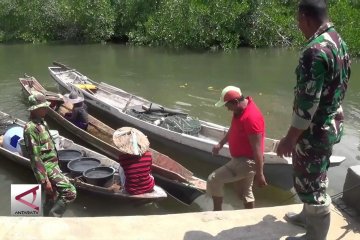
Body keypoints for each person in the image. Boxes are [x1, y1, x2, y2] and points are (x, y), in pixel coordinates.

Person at [276, 1, 351, 239]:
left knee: (312, 185)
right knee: (315, 175)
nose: (299, 26)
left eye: (299, 21)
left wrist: (290, 139)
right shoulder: (338, 41)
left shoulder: (314, 51)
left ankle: (315, 235)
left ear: (306, 17)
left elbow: (307, 104)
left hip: (314, 130)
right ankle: (306, 216)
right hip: (331, 123)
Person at [207, 86, 267, 211]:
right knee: (244, 193)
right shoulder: (239, 110)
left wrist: (260, 174)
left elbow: (257, 149)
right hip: (241, 159)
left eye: (227, 105)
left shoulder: (251, 118)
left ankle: (217, 212)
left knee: (213, 179)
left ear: (235, 102)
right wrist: (221, 143)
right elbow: (234, 128)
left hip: (246, 161)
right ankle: (250, 216)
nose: (227, 108)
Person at [23, 93, 77, 217]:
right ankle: (54, 217)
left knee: (51, 196)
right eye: (43, 107)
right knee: (70, 192)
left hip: (53, 164)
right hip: (47, 167)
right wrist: (44, 180)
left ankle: (46, 220)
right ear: (35, 109)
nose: (46, 109)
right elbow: (34, 156)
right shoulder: (30, 128)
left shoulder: (42, 123)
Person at [113, 127, 155, 195]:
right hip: (149, 186)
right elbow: (149, 170)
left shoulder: (123, 158)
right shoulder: (149, 155)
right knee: (148, 171)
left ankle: (122, 184)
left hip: (131, 190)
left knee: (121, 168)